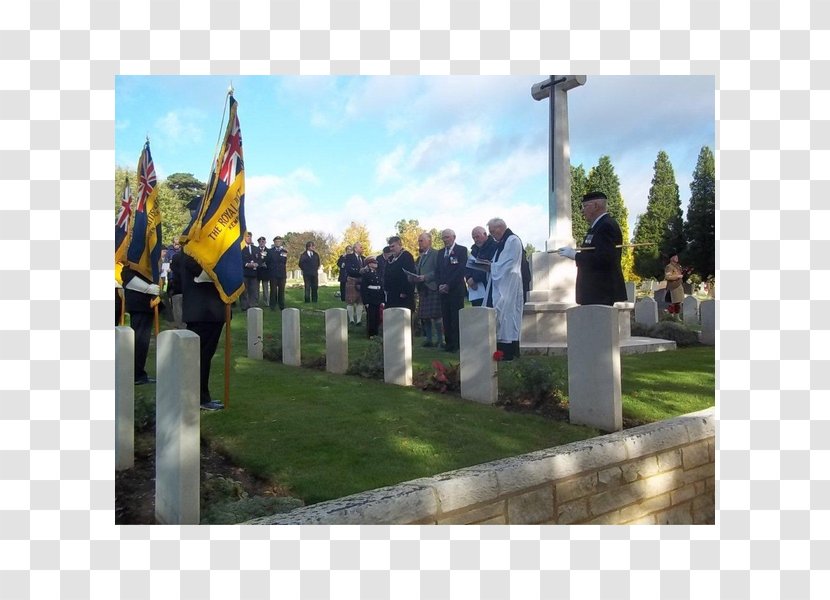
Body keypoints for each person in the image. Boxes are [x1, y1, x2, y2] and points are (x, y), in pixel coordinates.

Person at [558, 191, 627, 306]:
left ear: (596, 206)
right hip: (594, 293)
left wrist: (575, 256)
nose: (582, 210)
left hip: (601, 291)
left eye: (585, 206)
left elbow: (604, 258)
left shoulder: (606, 226)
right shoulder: (596, 226)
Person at [181, 252, 226, 411]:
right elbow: (201, 274)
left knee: (205, 356)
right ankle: (198, 398)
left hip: (214, 311)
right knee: (199, 357)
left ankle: (200, 396)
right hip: (202, 312)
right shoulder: (191, 251)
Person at [484, 218, 525, 361]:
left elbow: (509, 263)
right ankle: (503, 349)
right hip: (502, 284)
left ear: (500, 228)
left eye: (492, 231)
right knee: (502, 316)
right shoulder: (501, 243)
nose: (491, 234)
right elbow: (500, 262)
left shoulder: (512, 240)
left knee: (509, 315)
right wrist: (492, 265)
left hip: (509, 284)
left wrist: (493, 267)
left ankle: (509, 351)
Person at [121, 264, 160, 385]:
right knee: (139, 340)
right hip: (139, 304)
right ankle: (136, 374)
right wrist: (148, 288)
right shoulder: (132, 262)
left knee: (142, 341)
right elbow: (126, 276)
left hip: (145, 304)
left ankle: (139, 373)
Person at [434, 229, 468, 353]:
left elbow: (460, 270)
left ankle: (457, 344)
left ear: (454, 237)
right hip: (443, 291)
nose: (445, 240)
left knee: (456, 317)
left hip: (455, 290)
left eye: (447, 237)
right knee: (446, 318)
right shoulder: (441, 252)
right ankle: (448, 344)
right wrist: (440, 285)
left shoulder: (461, 250)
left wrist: (449, 285)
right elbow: (437, 271)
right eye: (443, 238)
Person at [410, 232, 443, 347]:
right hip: (422, 288)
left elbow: (438, 271)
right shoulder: (421, 256)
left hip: (432, 287)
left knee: (437, 316)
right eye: (419, 241)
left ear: (429, 241)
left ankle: (440, 340)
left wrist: (425, 277)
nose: (419, 243)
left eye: (421, 240)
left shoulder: (436, 254)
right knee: (425, 317)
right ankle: (429, 340)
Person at [466, 226, 497, 307]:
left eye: (477, 237)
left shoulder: (494, 246)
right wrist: (468, 278)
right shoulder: (474, 250)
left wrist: (475, 279)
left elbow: (490, 266)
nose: (475, 240)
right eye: (473, 238)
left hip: (489, 287)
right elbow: (468, 266)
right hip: (476, 291)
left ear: (485, 234)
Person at [382, 236, 416, 310]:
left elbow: (410, 275)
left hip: (402, 295)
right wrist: (386, 289)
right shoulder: (390, 259)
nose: (391, 249)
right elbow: (386, 275)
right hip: (391, 294)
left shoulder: (406, 256)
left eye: (393, 246)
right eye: (390, 247)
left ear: (399, 245)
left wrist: (405, 291)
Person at [360, 256, 385, 338]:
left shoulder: (377, 273)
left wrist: (382, 299)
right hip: (370, 297)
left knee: (377, 316)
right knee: (371, 317)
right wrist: (366, 301)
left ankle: (376, 332)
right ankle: (371, 334)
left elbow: (380, 286)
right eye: (374, 263)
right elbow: (363, 289)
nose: (376, 264)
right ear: (369, 264)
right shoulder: (366, 275)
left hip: (378, 296)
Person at [344, 242, 366, 326]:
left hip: (361, 281)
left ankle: (359, 320)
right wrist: (358, 271)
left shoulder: (364, 258)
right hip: (352, 280)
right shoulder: (349, 257)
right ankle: (351, 319)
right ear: (355, 249)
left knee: (360, 301)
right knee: (350, 301)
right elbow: (348, 269)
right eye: (360, 247)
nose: (362, 249)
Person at [267, 236, 288, 310]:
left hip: (282, 274)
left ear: (281, 242)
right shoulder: (270, 251)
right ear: (274, 242)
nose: (278, 242)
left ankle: (281, 305)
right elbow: (268, 262)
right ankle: (272, 305)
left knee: (281, 290)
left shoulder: (284, 251)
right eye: (277, 241)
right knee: (273, 291)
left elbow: (284, 262)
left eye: (279, 241)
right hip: (273, 274)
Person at [241, 231, 259, 311]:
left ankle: (253, 305)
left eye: (250, 236)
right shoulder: (241, 248)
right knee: (244, 291)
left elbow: (260, 258)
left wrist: (257, 264)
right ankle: (244, 306)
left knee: (253, 290)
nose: (249, 238)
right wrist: (246, 264)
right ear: (244, 238)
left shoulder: (255, 248)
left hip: (253, 273)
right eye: (248, 236)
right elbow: (239, 259)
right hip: (244, 273)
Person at [256, 236, 270, 306]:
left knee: (265, 288)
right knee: (256, 288)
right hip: (257, 271)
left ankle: (266, 301)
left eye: (263, 242)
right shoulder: (255, 250)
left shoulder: (268, 250)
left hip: (265, 271)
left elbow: (270, 260)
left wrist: (266, 263)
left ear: (265, 242)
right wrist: (259, 263)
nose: (262, 243)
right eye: (260, 242)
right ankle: (256, 302)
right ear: (258, 242)